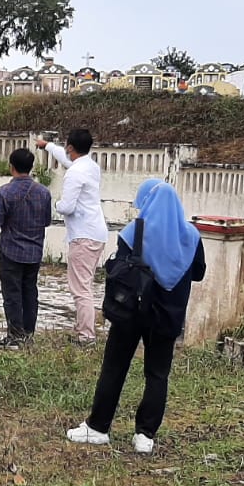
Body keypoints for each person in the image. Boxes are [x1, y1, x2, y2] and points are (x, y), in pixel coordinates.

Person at [67, 180, 207, 454]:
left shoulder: (134, 233)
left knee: (114, 367)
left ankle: (98, 427)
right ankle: (145, 436)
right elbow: (199, 273)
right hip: (168, 315)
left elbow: (122, 271)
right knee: (157, 374)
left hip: (132, 313)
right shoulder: (191, 236)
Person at [37, 129, 107, 345]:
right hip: (96, 232)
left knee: (80, 288)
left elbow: (67, 207)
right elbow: (67, 161)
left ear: (70, 147)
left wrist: (54, 204)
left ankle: (86, 335)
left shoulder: (75, 174)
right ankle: (82, 328)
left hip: (82, 236)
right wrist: (47, 146)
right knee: (84, 284)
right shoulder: (90, 166)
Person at [0, 147, 52, 348]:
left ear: (11, 167)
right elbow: (47, 221)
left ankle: (14, 335)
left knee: (12, 295)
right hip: (34, 251)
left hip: (11, 251)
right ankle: (28, 334)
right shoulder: (44, 193)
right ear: (31, 167)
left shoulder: (5, 192)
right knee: (30, 293)